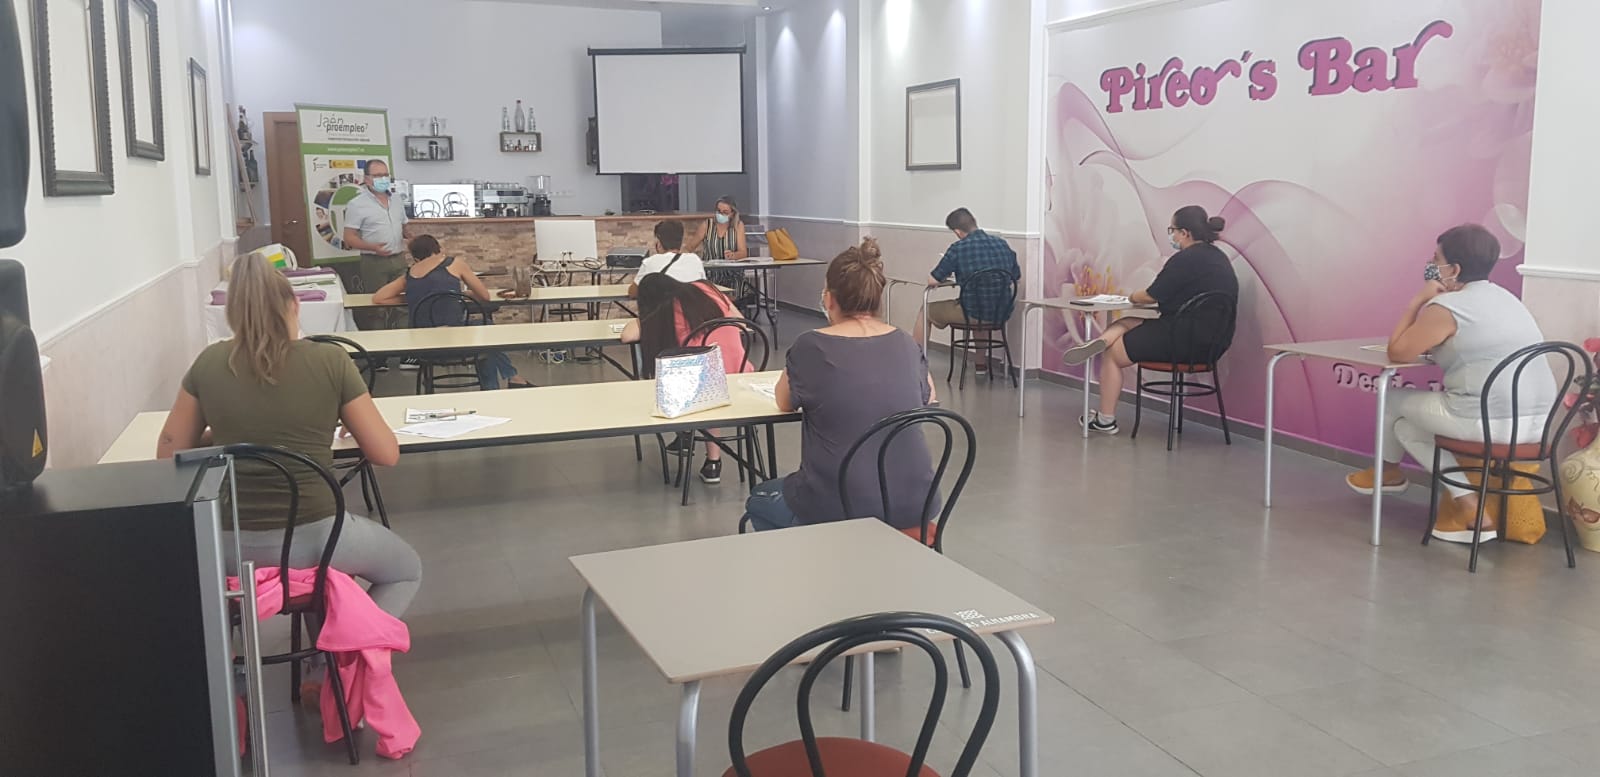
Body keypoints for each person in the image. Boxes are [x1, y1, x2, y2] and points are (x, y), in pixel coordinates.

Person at [156, 249, 422, 618]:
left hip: (225, 544)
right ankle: (343, 644)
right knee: (405, 570)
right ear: (295, 306)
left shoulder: (208, 363)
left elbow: (169, 456)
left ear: (232, 315)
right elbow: (386, 454)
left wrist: (228, 433)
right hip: (317, 536)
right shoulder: (330, 360)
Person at [1345, 224, 1556, 543]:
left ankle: (1387, 472)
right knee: (1405, 428)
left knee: (1391, 399)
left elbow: (1398, 352)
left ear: (1454, 269)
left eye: (1436, 259)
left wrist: (1417, 301)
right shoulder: (1508, 299)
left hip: (1488, 424)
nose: (1432, 265)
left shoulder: (1448, 307)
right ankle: (1470, 507)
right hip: (1539, 426)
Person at [741, 238, 940, 535]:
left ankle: (813, 558)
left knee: (759, 499)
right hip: (917, 503)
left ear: (829, 299)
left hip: (839, 505)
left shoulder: (811, 346)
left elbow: (784, 402)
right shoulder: (906, 343)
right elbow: (929, 396)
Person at [1063, 205, 1239, 434]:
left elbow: (1150, 296)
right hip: (1214, 343)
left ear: (1185, 233)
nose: (1171, 236)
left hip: (1181, 340)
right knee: (1127, 322)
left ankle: (1105, 420)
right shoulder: (1219, 258)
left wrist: (1131, 296)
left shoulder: (1184, 260)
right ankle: (1102, 341)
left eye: (1172, 230)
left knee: (1113, 355)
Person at [622, 273, 747, 484]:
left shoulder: (665, 310)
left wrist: (639, 318)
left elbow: (627, 336)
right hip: (741, 373)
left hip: (704, 385)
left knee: (699, 383)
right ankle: (709, 458)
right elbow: (740, 320)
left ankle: (689, 439)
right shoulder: (707, 288)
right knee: (709, 381)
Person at [371, 235, 534, 390]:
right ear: (438, 249)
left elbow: (379, 298)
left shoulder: (409, 274)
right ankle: (503, 383)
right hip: (455, 340)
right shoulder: (454, 264)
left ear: (415, 257)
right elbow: (484, 296)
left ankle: (510, 380)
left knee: (485, 340)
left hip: (423, 347)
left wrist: (414, 298)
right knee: (486, 330)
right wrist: (463, 294)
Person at [918, 208, 1022, 375]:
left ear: (958, 232)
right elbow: (1015, 276)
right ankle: (980, 364)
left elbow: (933, 280)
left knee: (926, 310)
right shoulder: (1001, 244)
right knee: (979, 308)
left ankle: (916, 361)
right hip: (1001, 312)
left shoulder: (959, 248)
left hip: (972, 312)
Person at [341, 158, 410, 370]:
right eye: (378, 175)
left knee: (403, 305)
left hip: (398, 259)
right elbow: (349, 238)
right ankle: (379, 357)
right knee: (376, 308)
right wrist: (372, 247)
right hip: (374, 261)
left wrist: (414, 239)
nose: (383, 179)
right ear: (367, 179)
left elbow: (404, 228)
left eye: (385, 175)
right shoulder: (357, 204)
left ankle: (406, 354)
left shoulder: (396, 200)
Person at [690, 196, 755, 306]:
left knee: (734, 293)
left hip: (732, 273)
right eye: (719, 211)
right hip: (711, 273)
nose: (721, 214)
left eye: (725, 212)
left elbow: (743, 252)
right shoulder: (707, 225)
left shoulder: (738, 226)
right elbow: (690, 247)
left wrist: (733, 255)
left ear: (732, 214)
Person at [628, 220, 706, 298]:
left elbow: (633, 293)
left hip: (664, 305)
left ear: (658, 243)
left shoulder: (650, 262)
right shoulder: (694, 260)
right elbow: (704, 288)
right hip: (690, 305)